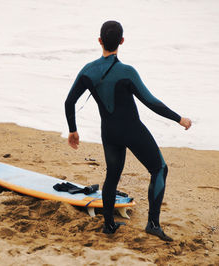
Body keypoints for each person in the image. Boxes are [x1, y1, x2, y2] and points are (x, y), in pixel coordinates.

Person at [64, 21, 192, 241]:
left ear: (99, 41)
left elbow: (69, 102)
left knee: (112, 175)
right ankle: (153, 224)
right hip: (132, 130)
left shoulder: (88, 71)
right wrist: (179, 119)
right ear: (122, 41)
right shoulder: (127, 72)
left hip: (109, 132)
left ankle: (109, 226)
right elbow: (151, 102)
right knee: (159, 169)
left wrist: (73, 130)